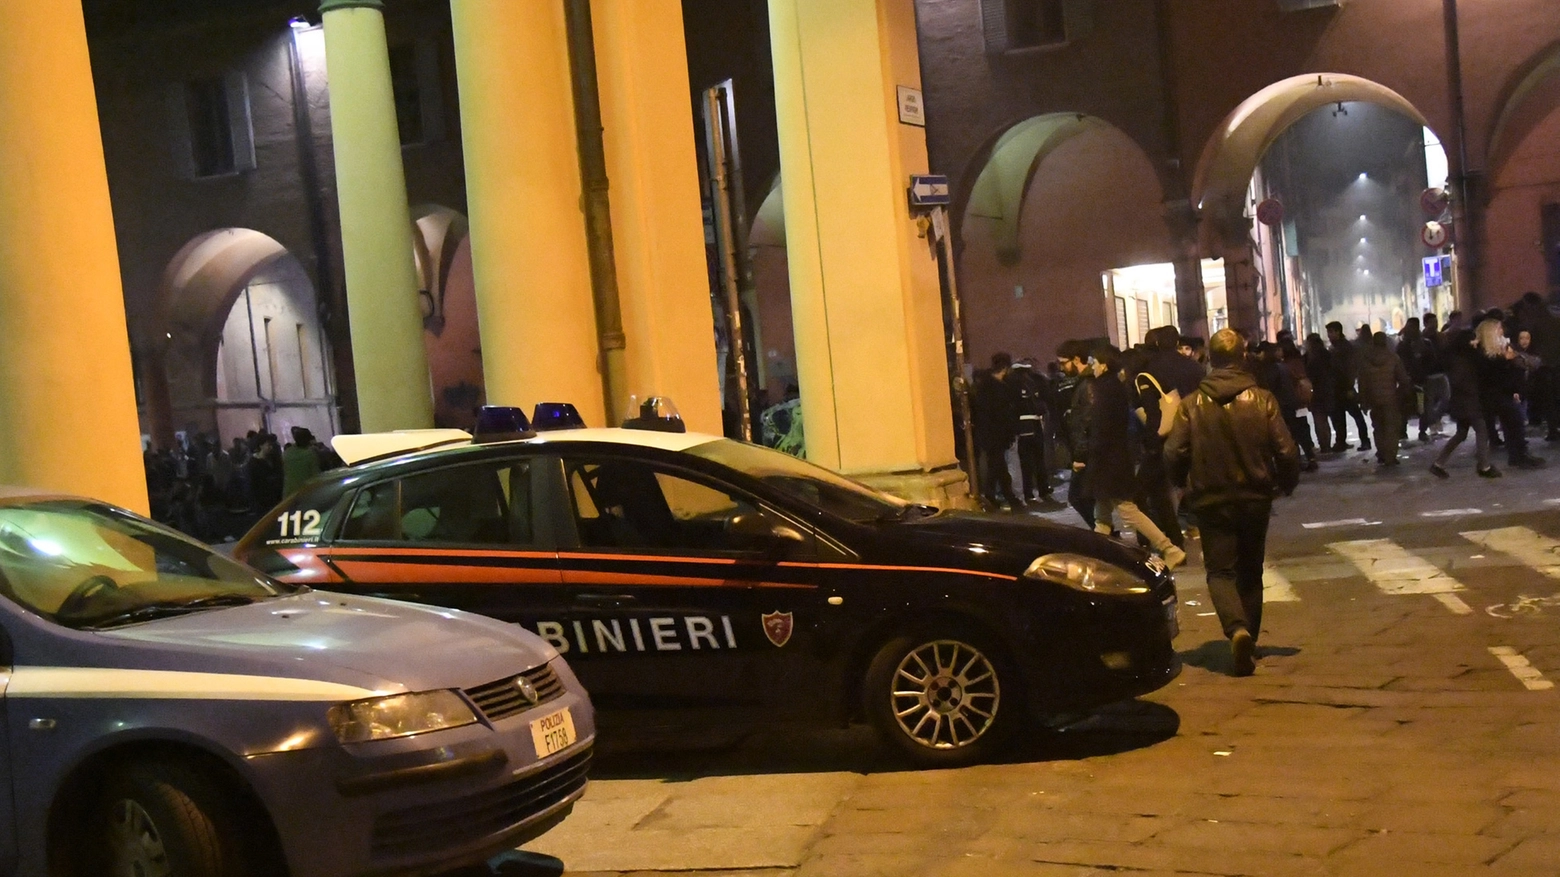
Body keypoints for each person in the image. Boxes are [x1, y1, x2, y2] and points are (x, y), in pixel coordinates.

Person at [1165, 329, 1300, 677]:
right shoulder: (1262, 399)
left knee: (1221, 570)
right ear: (1242, 357)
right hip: (1255, 497)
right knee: (1251, 571)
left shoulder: (1192, 404)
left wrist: (1182, 481)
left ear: (1210, 358)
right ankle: (1248, 640)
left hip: (1210, 499)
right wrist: (1286, 483)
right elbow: (1286, 450)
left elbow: (1174, 452)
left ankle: (1235, 629)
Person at [1084, 345, 1186, 569]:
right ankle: (1097, 558)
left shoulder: (1106, 389)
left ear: (1104, 364)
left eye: (1094, 362)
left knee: (1127, 510)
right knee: (1102, 516)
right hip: (1115, 459)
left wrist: (1151, 443)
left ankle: (1169, 548)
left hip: (1109, 462)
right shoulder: (1115, 387)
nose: (1092, 366)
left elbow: (1102, 429)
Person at [1476, 317, 1547, 470]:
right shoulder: (1484, 352)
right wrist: (1506, 360)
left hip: (1504, 392)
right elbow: (1493, 374)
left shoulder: (1499, 349)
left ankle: (1518, 455)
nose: (1502, 332)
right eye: (1498, 329)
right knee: (1515, 421)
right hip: (1495, 394)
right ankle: (1519, 455)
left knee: (1513, 423)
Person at [1430, 328, 1499, 479]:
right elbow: (1461, 381)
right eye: (1473, 339)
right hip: (1468, 401)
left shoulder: (1459, 357)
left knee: (1461, 434)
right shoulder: (1463, 360)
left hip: (1462, 402)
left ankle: (1438, 463)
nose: (1476, 342)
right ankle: (1484, 466)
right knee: (1481, 431)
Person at [972, 353, 1025, 511]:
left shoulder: (984, 387)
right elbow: (1003, 414)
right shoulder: (998, 388)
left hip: (990, 434)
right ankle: (1005, 497)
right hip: (996, 435)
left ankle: (993, 496)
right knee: (998, 466)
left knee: (996, 466)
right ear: (1005, 368)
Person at [1057, 340, 1098, 528]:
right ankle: (1105, 534)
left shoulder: (1087, 384)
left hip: (1087, 453)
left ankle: (1106, 535)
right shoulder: (1083, 383)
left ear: (1076, 359)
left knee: (1078, 497)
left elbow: (1087, 422)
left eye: (1063, 362)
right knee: (1089, 499)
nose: (1061, 367)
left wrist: (1080, 456)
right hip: (1088, 451)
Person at [1358, 332, 1412, 467]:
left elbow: (1362, 382)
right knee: (1391, 428)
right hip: (1390, 399)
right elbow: (1403, 379)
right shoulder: (1393, 358)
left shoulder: (1366, 360)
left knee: (1378, 428)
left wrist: (1364, 400)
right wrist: (1401, 395)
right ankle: (1390, 456)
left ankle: (1381, 453)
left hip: (1373, 400)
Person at [1009, 360, 1055, 504]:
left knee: (1025, 462)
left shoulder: (1012, 385)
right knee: (1039, 460)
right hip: (1035, 424)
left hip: (1022, 426)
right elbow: (1045, 402)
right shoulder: (1034, 383)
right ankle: (1043, 489)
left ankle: (1028, 493)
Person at [1326, 321, 1371, 452]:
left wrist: (1349, 386)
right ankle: (1342, 442)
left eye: (1331, 332)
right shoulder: (1337, 347)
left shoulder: (1343, 348)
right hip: (1339, 388)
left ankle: (1364, 440)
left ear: (1338, 332)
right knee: (1340, 417)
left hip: (1344, 387)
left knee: (1355, 415)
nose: (1329, 335)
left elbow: (1349, 369)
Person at [1303, 333, 1335, 453]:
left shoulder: (1307, 357)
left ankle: (1324, 444)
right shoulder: (1326, 355)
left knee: (1319, 420)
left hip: (1315, 392)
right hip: (1326, 391)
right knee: (1325, 419)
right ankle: (1327, 443)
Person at [282, 426, 323, 498]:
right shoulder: (310, 454)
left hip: (289, 494)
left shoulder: (287, 453)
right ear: (308, 440)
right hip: (305, 493)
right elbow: (316, 475)